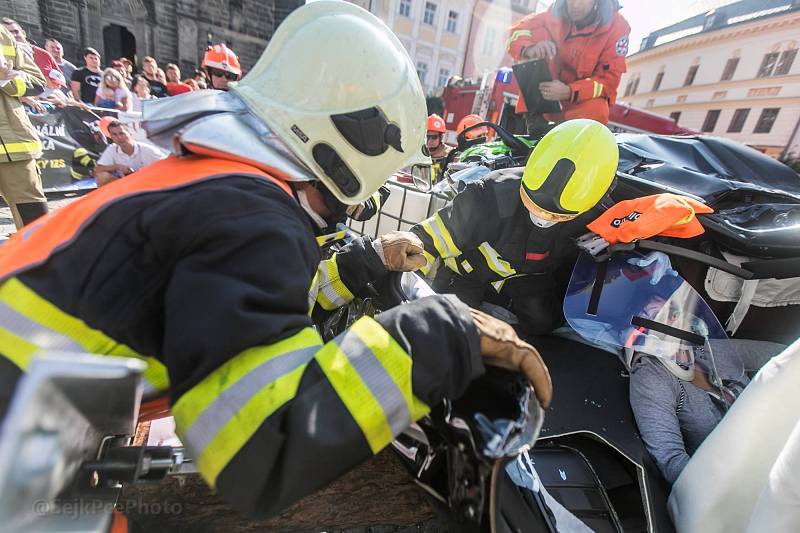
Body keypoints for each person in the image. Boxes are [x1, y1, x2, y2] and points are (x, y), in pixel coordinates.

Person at [0, 1, 550, 520]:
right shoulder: (253, 218)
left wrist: (364, 265)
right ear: (351, 145)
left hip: (37, 418)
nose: (365, 204)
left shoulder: (223, 184)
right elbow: (257, 453)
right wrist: (437, 336)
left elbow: (257, 316)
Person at [410, 119, 617, 335]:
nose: (543, 218)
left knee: (543, 321)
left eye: (555, 216)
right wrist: (404, 272)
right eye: (532, 205)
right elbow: (430, 239)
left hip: (524, 277)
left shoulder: (596, 216)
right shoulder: (492, 194)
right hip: (467, 272)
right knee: (446, 328)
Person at [507, 0, 630, 134]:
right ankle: (535, 125)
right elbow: (516, 32)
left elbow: (609, 81)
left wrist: (569, 91)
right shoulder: (553, 12)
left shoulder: (617, 27)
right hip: (544, 98)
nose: (576, 5)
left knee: (598, 107)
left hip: (581, 108)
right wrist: (530, 48)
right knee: (537, 33)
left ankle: (575, 140)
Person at [0, 25, 49, 229]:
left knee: (34, 221)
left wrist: (5, 77)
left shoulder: (3, 36)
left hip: (12, 145)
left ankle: (43, 261)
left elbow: (38, 83)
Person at [93, 120, 167, 186]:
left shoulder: (147, 149)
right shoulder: (112, 149)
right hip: (126, 186)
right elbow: (97, 170)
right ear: (111, 137)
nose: (119, 137)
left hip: (149, 184)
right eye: (114, 135)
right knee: (102, 177)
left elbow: (167, 164)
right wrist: (117, 167)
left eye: (122, 133)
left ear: (130, 133)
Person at [426, 114, 452, 183]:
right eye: (427, 137)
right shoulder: (418, 153)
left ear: (441, 138)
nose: (430, 141)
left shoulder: (450, 155)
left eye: (434, 137)